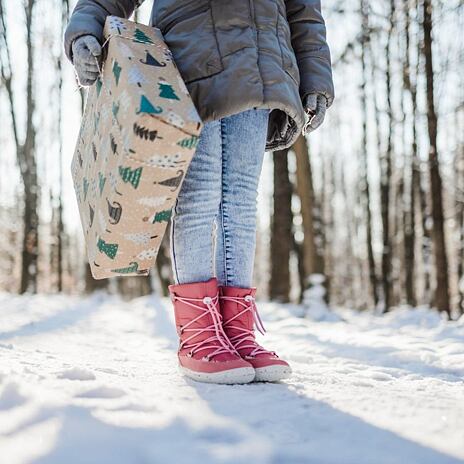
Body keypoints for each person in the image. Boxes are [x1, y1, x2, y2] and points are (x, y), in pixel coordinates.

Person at [64, 0, 334, 385]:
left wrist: (316, 77)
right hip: (191, 58)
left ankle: (237, 331)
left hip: (263, 64)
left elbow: (304, 12)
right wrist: (84, 31)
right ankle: (199, 336)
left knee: (241, 201)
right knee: (200, 194)